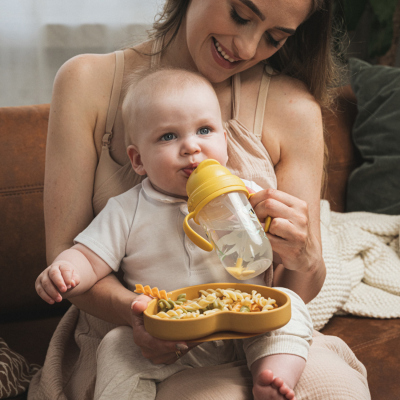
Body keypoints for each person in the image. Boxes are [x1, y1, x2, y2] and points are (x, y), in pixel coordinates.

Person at [30, 1, 371, 399]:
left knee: (336, 389)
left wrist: (306, 255)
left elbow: (288, 286)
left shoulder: (294, 108)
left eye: (274, 39)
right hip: (139, 340)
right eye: (241, 16)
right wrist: (148, 316)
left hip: (254, 336)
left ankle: (274, 372)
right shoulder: (88, 81)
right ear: (137, 158)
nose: (246, 48)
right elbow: (69, 259)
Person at [36, 67, 314, 400]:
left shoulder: (249, 195)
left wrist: (280, 230)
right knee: (116, 345)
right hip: (169, 335)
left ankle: (271, 376)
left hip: (247, 322)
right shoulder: (128, 209)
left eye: (205, 130)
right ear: (138, 160)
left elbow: (286, 248)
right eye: (169, 136)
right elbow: (87, 257)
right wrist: (65, 270)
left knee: (291, 306)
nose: (191, 147)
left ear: (225, 143)